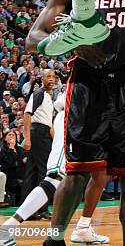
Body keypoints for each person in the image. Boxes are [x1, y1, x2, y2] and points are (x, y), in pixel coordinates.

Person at [32, 0, 125, 246]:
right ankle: (54, 240)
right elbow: (34, 36)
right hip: (86, 84)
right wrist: (73, 44)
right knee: (77, 173)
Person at [1, 91, 109, 245]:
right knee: (55, 177)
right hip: (73, 116)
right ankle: (7, 229)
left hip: (93, 121)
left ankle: (83, 228)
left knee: (86, 177)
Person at [21, 70, 56, 220]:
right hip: (38, 135)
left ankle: (27, 210)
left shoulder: (49, 96)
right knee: (45, 172)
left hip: (43, 134)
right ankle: (42, 208)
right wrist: (27, 138)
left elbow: (49, 123)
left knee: (32, 172)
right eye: (48, 76)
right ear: (42, 79)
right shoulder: (39, 93)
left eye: (53, 77)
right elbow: (27, 114)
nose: (51, 79)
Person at [0, 131, 26, 204]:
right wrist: (11, 148)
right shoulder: (2, 150)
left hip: (21, 175)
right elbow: (9, 163)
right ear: (5, 138)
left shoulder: (20, 149)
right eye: (9, 135)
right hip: (10, 176)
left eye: (13, 135)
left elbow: (24, 160)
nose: (11, 136)